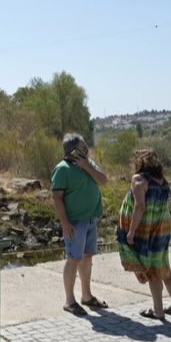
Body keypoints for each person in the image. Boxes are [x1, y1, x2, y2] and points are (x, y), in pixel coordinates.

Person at [116, 148, 171, 320]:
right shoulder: (163, 181)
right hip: (161, 228)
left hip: (147, 230)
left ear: (140, 163)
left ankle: (158, 311)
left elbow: (140, 207)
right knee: (164, 268)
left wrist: (130, 232)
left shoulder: (139, 180)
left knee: (154, 270)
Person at [51, 133, 110, 316]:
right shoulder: (62, 169)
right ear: (74, 150)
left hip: (92, 219)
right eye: (84, 146)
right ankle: (70, 301)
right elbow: (57, 198)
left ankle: (87, 296)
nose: (87, 149)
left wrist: (86, 166)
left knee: (87, 257)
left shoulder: (89, 163)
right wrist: (65, 222)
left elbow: (103, 180)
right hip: (75, 223)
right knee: (74, 258)